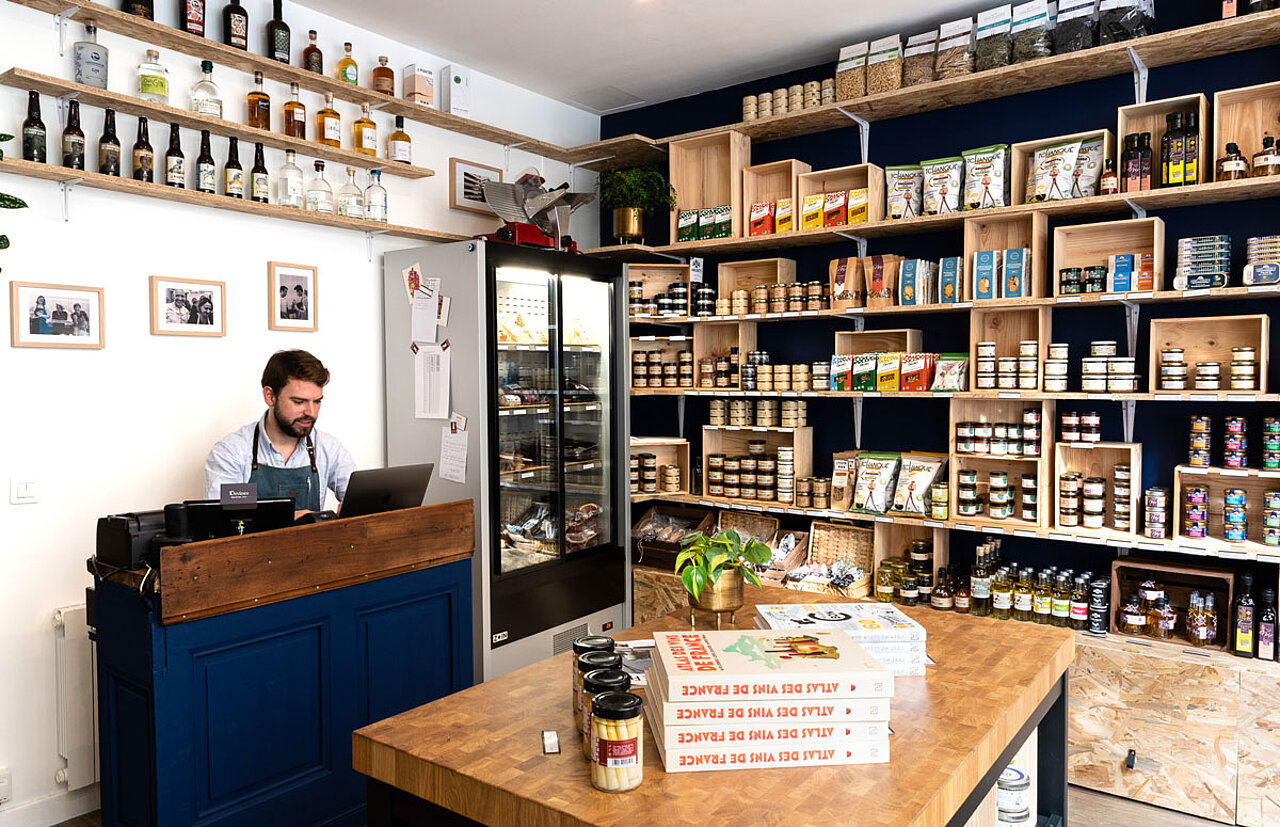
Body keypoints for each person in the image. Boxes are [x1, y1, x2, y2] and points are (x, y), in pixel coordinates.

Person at [204, 350, 355, 516]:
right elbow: (224, 519)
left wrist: (353, 510)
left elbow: (360, 500)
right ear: (270, 397)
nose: (311, 412)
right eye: (299, 402)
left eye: (317, 401)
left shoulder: (329, 448)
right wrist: (286, 520)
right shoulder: (231, 452)